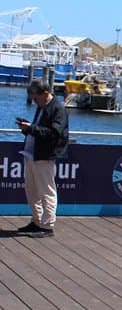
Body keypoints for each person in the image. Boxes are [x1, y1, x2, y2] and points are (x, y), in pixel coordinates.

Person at [15, 81, 69, 236]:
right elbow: (39, 130)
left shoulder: (57, 109)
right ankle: (37, 221)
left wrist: (30, 128)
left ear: (45, 94)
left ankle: (47, 225)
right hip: (32, 154)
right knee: (31, 190)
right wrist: (27, 129)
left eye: (36, 98)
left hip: (45, 156)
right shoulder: (42, 107)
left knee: (46, 191)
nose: (34, 101)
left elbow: (53, 133)